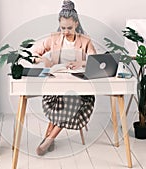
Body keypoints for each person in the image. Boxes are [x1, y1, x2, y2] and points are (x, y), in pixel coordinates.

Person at [33, 0, 96, 156]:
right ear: (59, 25)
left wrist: (81, 62)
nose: (66, 31)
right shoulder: (54, 39)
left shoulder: (85, 40)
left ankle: (48, 139)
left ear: (76, 23)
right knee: (63, 99)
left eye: (69, 28)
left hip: (79, 89)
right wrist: (43, 60)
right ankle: (49, 138)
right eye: (63, 28)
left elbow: (96, 61)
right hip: (56, 86)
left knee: (71, 100)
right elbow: (32, 53)